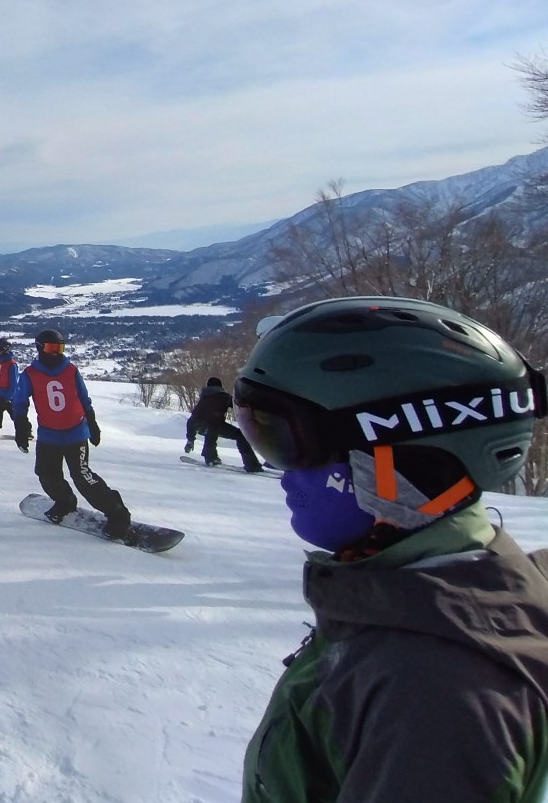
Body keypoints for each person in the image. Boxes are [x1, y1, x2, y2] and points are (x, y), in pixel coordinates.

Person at [234, 296, 548, 803]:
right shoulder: (409, 597)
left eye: (283, 441)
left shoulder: (437, 697)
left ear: (397, 458)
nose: (284, 475)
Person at [10, 329, 130, 538]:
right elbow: (19, 402)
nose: (56, 353)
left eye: (59, 348)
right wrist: (21, 426)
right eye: (51, 348)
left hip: (75, 432)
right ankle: (65, 501)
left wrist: (92, 422)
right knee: (47, 475)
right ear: (40, 348)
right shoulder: (30, 374)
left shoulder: (70, 370)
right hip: (49, 435)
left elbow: (83, 397)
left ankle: (117, 512)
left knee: (83, 477)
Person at [185, 376, 262, 471]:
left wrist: (190, 439)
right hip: (214, 425)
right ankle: (251, 464)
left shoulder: (204, 398)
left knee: (212, 429)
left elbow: (192, 420)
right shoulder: (224, 397)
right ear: (220, 386)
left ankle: (210, 457)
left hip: (206, 425)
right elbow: (238, 405)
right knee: (237, 435)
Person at [0, 337, 27, 440]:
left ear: (5, 348)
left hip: (9, 395)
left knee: (16, 414)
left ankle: (25, 431)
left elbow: (14, 382)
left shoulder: (11, 364)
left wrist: (9, 396)